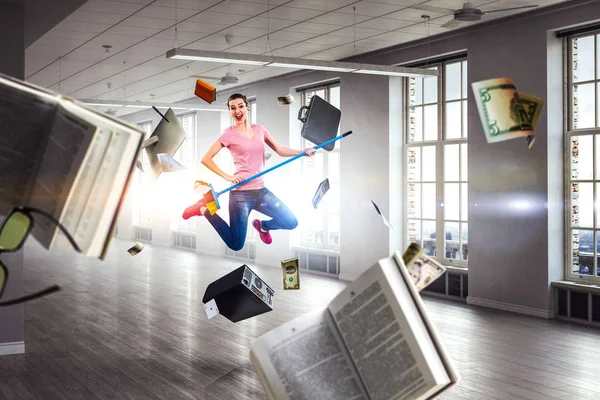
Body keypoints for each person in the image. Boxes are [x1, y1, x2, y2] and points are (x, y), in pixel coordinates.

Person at [182, 93, 315, 250]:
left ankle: (263, 226)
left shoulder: (260, 130)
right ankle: (203, 209)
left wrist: (302, 151)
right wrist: (228, 177)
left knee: (291, 222)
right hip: (240, 195)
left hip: (261, 191)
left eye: (240, 106)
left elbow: (280, 150)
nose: (237, 110)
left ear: (247, 107)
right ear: (230, 112)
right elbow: (206, 158)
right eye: (233, 108)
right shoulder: (228, 133)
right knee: (236, 244)